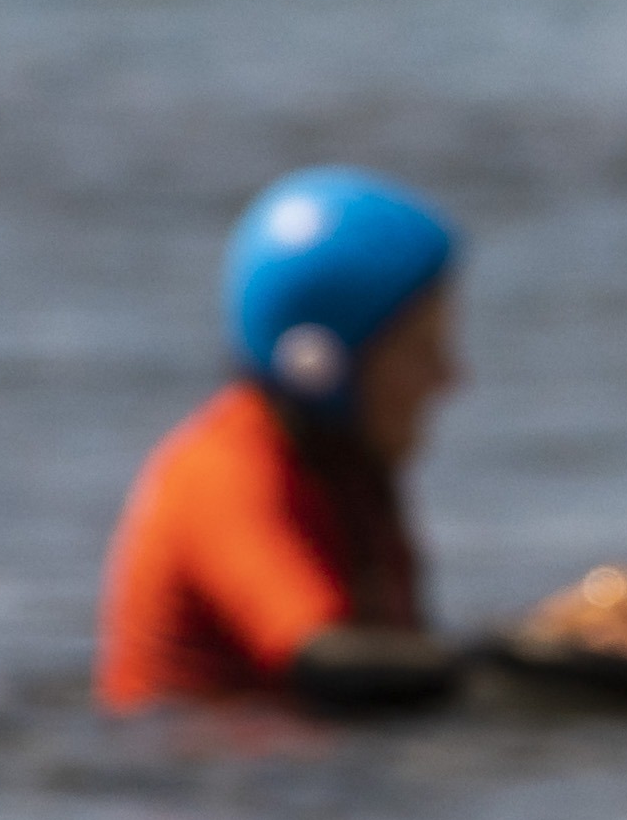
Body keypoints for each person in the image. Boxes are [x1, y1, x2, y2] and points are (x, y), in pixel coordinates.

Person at [96, 167, 466, 714]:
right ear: (320, 363)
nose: (448, 377)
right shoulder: (222, 471)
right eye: (420, 349)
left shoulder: (349, 472)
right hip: (198, 786)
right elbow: (327, 663)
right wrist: (510, 666)